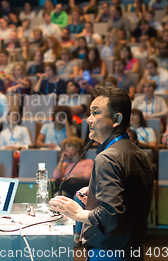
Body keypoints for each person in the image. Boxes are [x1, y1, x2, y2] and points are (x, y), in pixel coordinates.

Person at [49, 86, 154, 259]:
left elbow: (110, 215)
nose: (88, 119)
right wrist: (94, 197)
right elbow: (128, 203)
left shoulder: (108, 157)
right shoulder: (139, 154)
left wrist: (76, 213)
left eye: (95, 113)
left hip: (109, 253)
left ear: (116, 118)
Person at [53, 136, 93, 246]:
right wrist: (62, 159)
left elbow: (87, 175)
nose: (66, 150)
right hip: (67, 189)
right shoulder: (65, 164)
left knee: (77, 197)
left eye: (69, 147)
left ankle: (77, 234)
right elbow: (56, 175)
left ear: (77, 148)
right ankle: (61, 232)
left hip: (81, 190)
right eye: (65, 148)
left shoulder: (87, 161)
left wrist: (71, 176)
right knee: (58, 196)